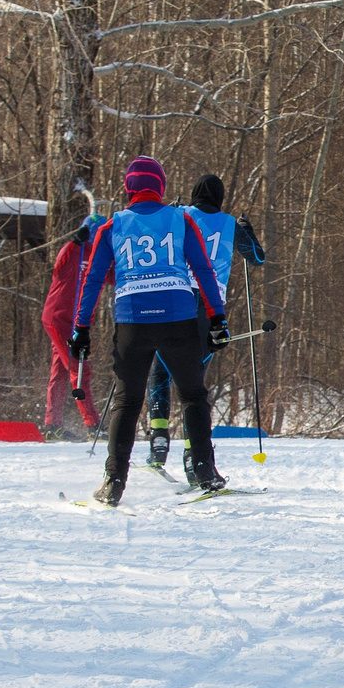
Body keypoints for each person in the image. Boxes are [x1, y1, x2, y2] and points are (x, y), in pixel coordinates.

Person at [69, 156, 231, 503]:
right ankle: (205, 471)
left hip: (132, 323)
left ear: (129, 188)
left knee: (127, 402)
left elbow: (92, 280)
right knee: (193, 395)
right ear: (161, 186)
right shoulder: (181, 219)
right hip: (178, 319)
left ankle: (114, 480)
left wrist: (81, 328)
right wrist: (217, 317)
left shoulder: (111, 226)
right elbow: (203, 269)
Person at [147, 173, 267, 468]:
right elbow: (258, 258)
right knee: (194, 383)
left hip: (176, 298)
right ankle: (193, 453)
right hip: (210, 307)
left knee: (161, 372)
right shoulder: (228, 223)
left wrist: (172, 208)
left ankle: (158, 437)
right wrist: (247, 230)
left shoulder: (181, 214)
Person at [42, 213, 105, 435]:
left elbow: (114, 276)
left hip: (75, 322)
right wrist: (75, 242)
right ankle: (93, 425)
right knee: (79, 369)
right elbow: (59, 266)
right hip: (59, 318)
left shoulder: (100, 256)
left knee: (60, 371)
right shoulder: (74, 251)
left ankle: (52, 426)